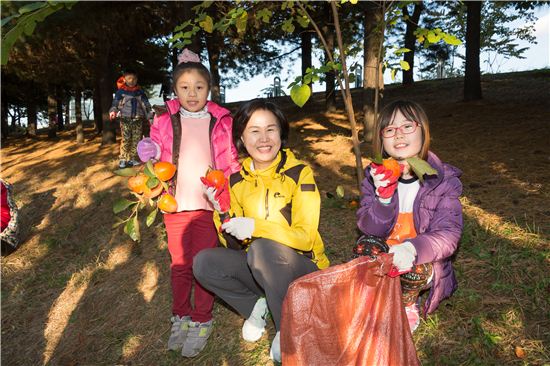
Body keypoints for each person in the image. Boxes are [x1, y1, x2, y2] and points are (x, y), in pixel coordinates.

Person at [193, 99, 330, 362]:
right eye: (254, 131)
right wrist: (221, 212)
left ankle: (287, 330)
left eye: (271, 129)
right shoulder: (235, 181)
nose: (264, 138)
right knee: (204, 262)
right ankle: (258, 304)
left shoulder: (299, 173)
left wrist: (257, 227)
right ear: (242, 138)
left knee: (261, 247)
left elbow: (306, 238)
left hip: (305, 269)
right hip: (264, 267)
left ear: (281, 133)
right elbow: (233, 246)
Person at [135, 49, 240, 358]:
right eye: (184, 87)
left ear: (209, 89)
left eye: (199, 87)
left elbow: (229, 159)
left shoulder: (220, 119)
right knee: (180, 264)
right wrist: (148, 151)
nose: (192, 93)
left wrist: (233, 189)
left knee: (202, 264)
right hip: (175, 204)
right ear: (175, 89)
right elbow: (156, 151)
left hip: (208, 205)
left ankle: (202, 319)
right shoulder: (165, 118)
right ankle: (180, 315)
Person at [357, 99, 463, 333]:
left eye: (407, 126)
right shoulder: (374, 177)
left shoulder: (442, 181)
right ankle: (378, 292)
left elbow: (449, 234)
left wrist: (412, 249)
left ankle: (407, 302)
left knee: (415, 268)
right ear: (381, 139)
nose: (398, 135)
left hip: (420, 258)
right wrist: (382, 198)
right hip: (387, 253)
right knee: (364, 245)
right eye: (390, 129)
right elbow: (368, 229)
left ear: (423, 132)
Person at [109, 69, 152, 168]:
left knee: (136, 139)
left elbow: (146, 105)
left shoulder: (140, 92)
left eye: (134, 79)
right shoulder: (121, 92)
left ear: (136, 80)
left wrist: (149, 116)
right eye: (129, 78)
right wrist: (113, 111)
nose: (131, 81)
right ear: (124, 79)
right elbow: (115, 103)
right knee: (126, 139)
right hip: (125, 119)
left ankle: (132, 158)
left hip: (138, 119)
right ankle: (123, 159)